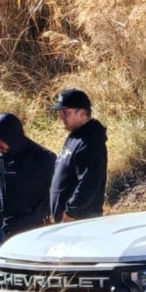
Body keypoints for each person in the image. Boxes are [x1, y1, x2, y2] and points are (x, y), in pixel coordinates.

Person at [0, 113, 56, 288]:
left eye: (1, 140)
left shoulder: (43, 158)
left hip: (28, 230)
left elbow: (54, 194)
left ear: (13, 137)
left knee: (27, 281)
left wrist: (37, 219)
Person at [48, 89, 108, 223]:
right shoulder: (75, 137)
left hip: (80, 220)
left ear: (81, 113)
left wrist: (72, 210)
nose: (61, 116)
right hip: (69, 220)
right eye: (60, 113)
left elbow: (90, 181)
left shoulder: (91, 141)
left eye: (66, 112)